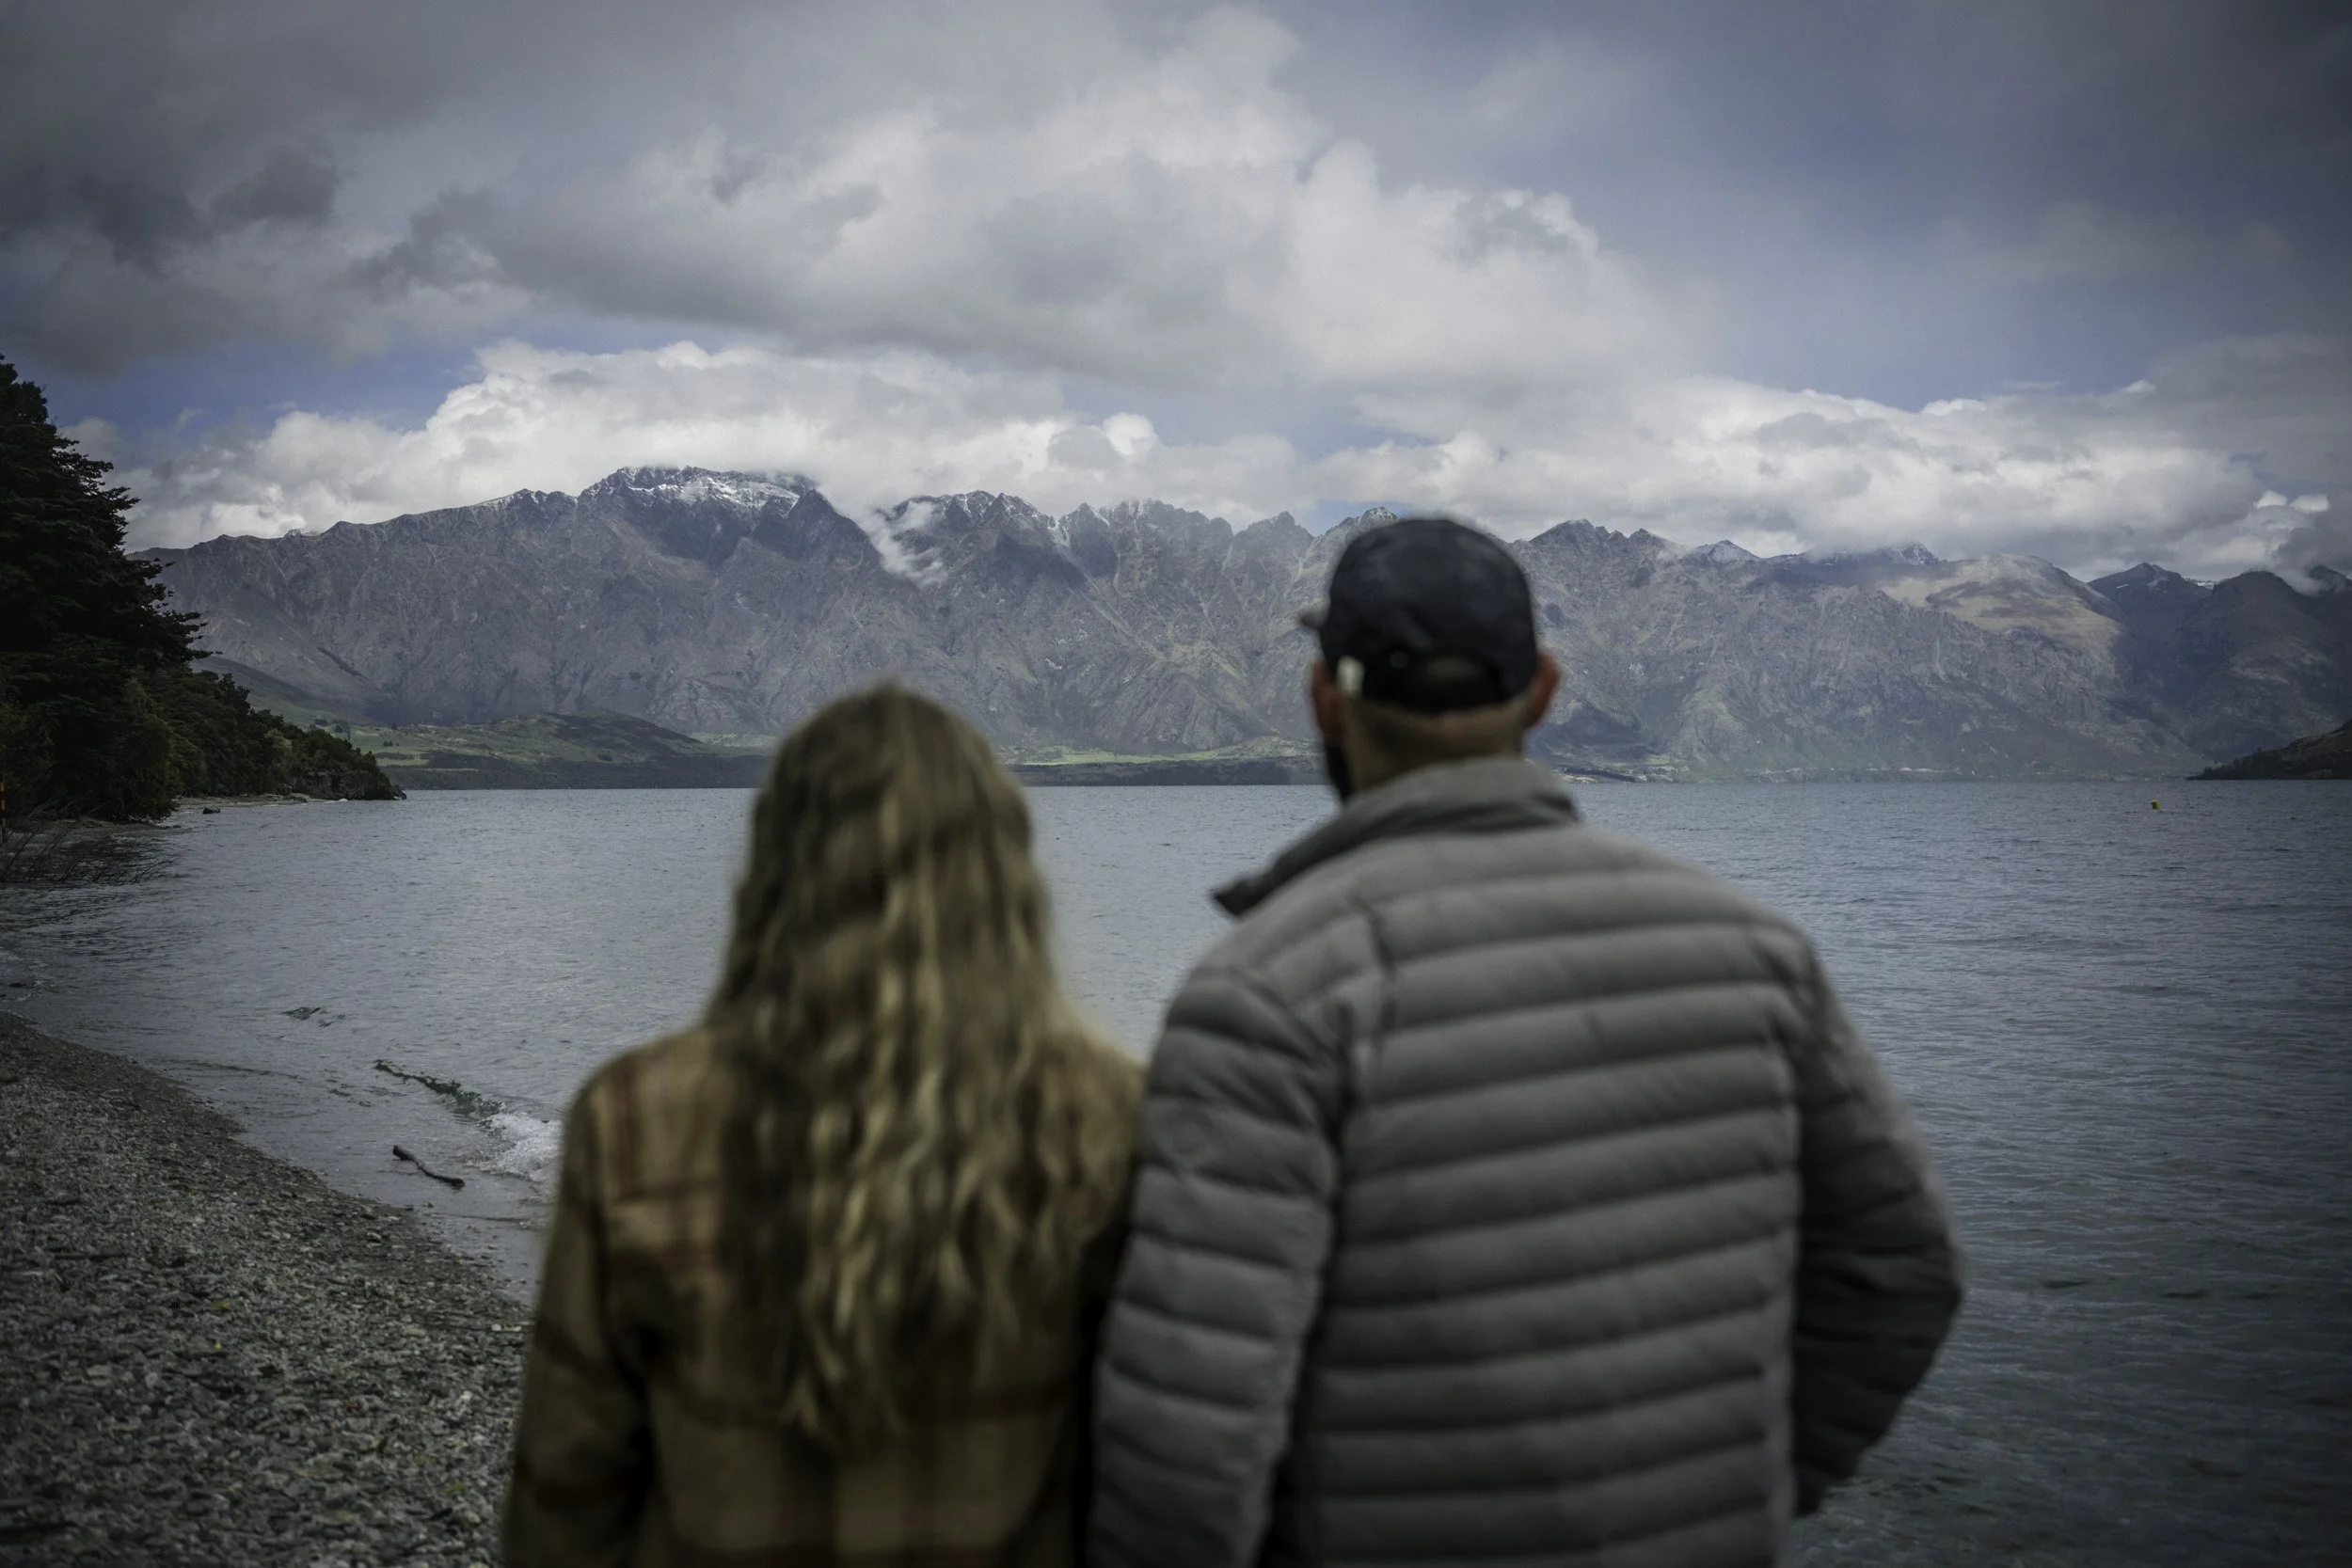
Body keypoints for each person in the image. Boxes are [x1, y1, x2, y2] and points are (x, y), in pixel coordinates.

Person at [1089, 518, 1963, 1568]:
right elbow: (1903, 1268)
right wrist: (1758, 1493)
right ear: (1543, 690)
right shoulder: (1753, 948)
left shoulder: (1270, 989)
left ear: (1326, 699)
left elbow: (1192, 1425)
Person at [505, 685, 1140, 1567]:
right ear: (1003, 880)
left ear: (776, 869)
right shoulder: (1106, 1115)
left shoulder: (632, 1117)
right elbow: (1144, 1463)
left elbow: (566, 1489)